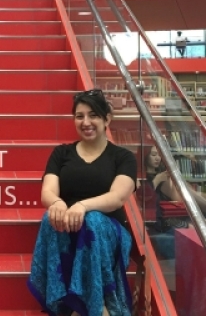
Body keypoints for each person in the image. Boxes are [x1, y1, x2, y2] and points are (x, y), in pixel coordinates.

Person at [27, 89, 137, 316]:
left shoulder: (123, 157)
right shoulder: (61, 153)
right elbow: (47, 191)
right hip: (68, 227)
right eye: (79, 116)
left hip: (108, 231)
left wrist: (83, 206)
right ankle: (70, 304)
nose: (86, 122)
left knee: (93, 221)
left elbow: (117, 197)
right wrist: (57, 203)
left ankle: (90, 308)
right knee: (50, 217)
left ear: (107, 118)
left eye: (93, 115)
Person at [139, 145, 206, 258]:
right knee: (197, 226)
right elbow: (143, 197)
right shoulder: (143, 177)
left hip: (171, 215)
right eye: (153, 155)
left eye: (159, 155)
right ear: (145, 156)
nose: (157, 158)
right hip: (162, 220)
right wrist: (157, 180)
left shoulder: (163, 174)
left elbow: (179, 196)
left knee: (202, 223)